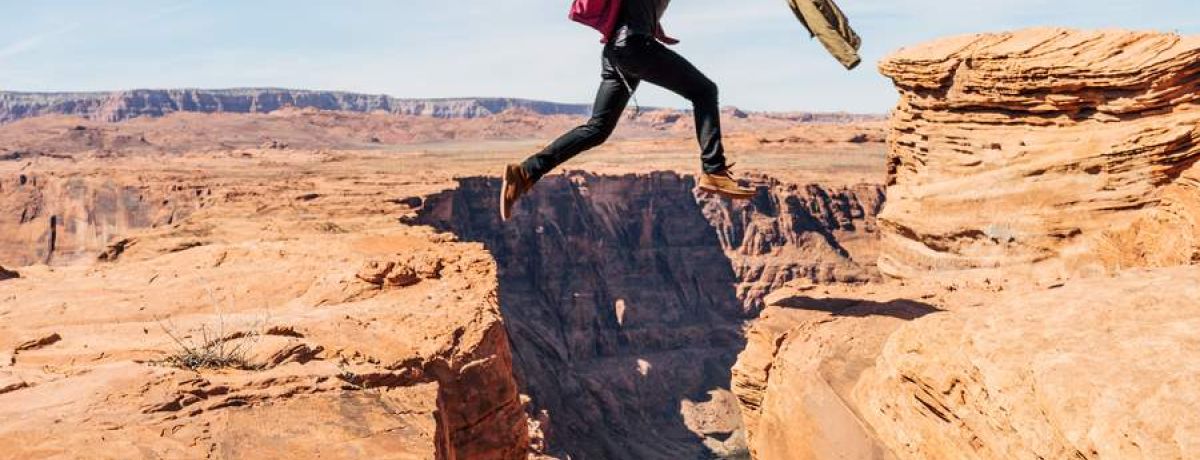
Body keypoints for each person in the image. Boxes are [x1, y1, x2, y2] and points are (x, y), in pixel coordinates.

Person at [500, 0, 756, 221]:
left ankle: (525, 172)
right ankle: (714, 170)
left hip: (616, 50)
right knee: (704, 91)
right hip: (634, 46)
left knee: (597, 129)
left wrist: (653, 25)